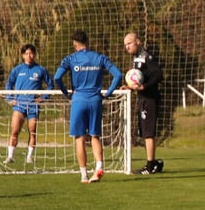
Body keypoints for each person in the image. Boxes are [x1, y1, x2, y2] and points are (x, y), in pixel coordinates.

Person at [54, 30, 123, 184]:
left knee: (79, 138)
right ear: (88, 42)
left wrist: (66, 93)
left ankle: (84, 175)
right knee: (95, 136)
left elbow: (57, 77)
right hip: (95, 99)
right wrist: (108, 93)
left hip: (78, 99)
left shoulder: (71, 58)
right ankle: (99, 167)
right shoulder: (99, 57)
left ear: (74, 44)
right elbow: (118, 75)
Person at [122, 32, 165, 175]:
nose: (127, 47)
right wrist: (130, 87)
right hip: (143, 98)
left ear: (138, 42)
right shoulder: (137, 58)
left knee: (148, 133)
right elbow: (141, 79)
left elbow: (158, 74)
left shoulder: (147, 57)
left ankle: (150, 165)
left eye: (129, 43)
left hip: (150, 99)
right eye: (125, 45)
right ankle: (154, 163)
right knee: (145, 131)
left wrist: (144, 87)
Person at [4, 44, 53, 165]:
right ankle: (10, 156)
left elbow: (51, 85)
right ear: (22, 55)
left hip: (33, 105)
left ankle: (29, 156)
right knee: (15, 130)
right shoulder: (17, 69)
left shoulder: (40, 69)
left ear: (35, 54)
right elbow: (9, 84)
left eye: (31, 53)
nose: (29, 56)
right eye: (26, 54)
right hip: (19, 104)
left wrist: (43, 98)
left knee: (32, 131)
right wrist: (10, 98)